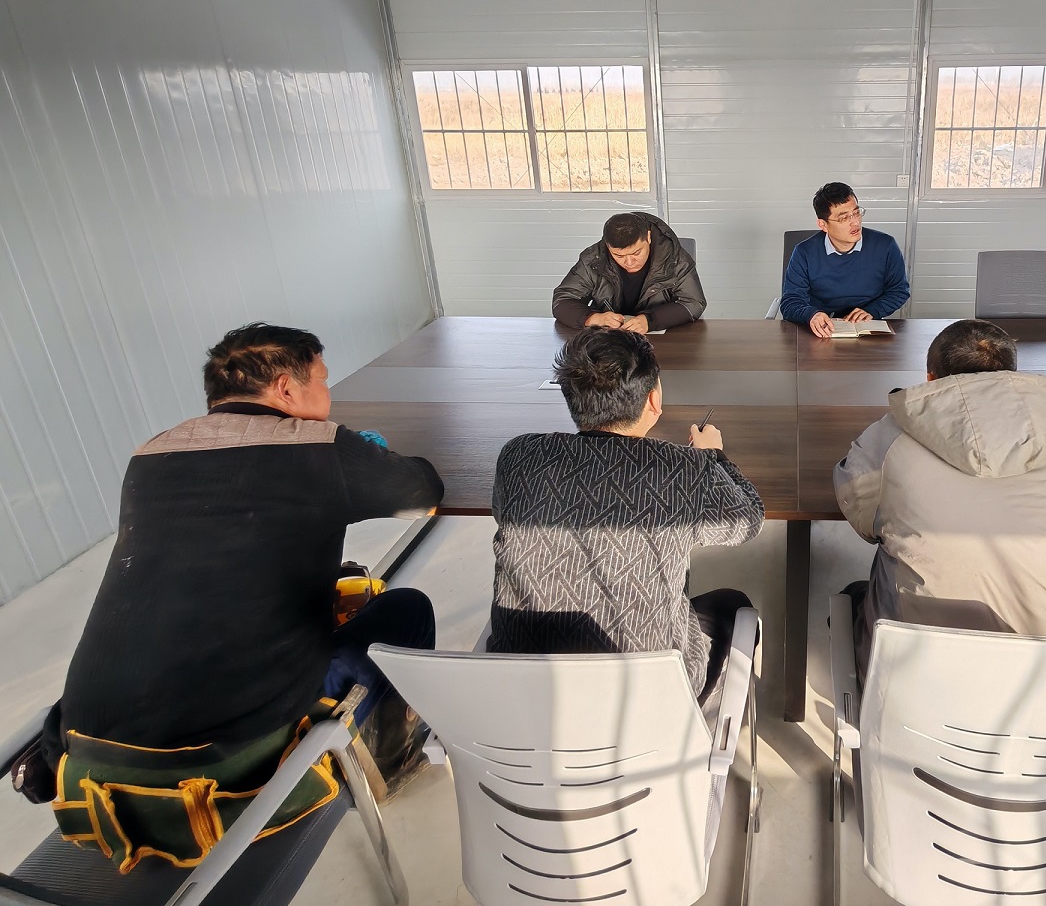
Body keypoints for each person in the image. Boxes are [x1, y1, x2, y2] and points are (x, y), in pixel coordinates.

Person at [34, 323, 444, 864]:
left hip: (88, 751)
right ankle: (391, 760)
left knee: (329, 588)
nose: (327, 394)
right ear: (286, 388)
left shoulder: (153, 453)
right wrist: (361, 453)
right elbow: (421, 491)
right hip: (221, 761)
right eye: (322, 381)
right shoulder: (317, 446)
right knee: (405, 610)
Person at [489, 327, 763, 700]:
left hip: (522, 696)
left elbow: (505, 513)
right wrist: (713, 456)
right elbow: (747, 520)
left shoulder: (519, 456)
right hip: (647, 699)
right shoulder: (682, 468)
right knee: (732, 604)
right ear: (653, 400)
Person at [833, 319, 1046, 676]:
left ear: (930, 378)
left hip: (921, 679)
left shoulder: (888, 440)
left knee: (880, 565)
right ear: (1009, 377)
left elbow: (860, 513)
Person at [780, 182, 910, 338]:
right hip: (821, 331)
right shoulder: (804, 252)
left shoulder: (885, 245)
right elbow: (790, 301)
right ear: (823, 225)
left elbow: (899, 291)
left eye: (856, 213)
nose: (855, 222)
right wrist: (811, 315)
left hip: (866, 327)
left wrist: (873, 310)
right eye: (844, 218)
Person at [553, 212, 705, 333]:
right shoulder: (593, 259)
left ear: (648, 237)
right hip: (610, 342)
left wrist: (651, 320)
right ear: (607, 246)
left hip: (662, 342)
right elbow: (563, 299)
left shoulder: (675, 259)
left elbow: (694, 302)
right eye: (619, 256)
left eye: (636, 253)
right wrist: (592, 318)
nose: (630, 262)